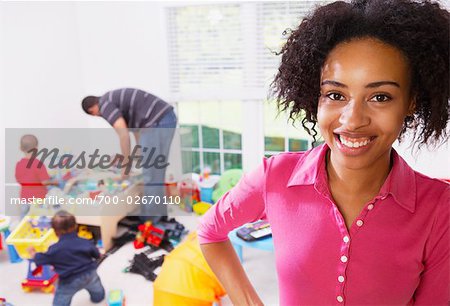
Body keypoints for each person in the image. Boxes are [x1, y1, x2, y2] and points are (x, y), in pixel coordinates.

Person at [198, 0, 449, 304]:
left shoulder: (440, 210)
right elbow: (210, 232)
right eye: (335, 94)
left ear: (410, 101)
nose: (353, 119)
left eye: (380, 96)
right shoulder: (274, 177)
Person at [81, 88, 177, 221]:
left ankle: (149, 220)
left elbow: (124, 135)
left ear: (92, 110)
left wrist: (125, 168)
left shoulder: (105, 105)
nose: (99, 116)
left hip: (157, 122)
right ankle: (159, 216)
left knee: (151, 175)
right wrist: (137, 156)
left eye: (95, 114)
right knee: (156, 173)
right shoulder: (112, 100)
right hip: (165, 118)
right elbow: (136, 133)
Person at [28, 210, 105, 306]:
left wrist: (33, 252)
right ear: (75, 226)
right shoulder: (85, 242)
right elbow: (97, 255)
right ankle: (98, 297)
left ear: (55, 231)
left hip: (69, 280)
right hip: (89, 274)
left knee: (61, 299)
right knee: (96, 289)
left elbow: (39, 260)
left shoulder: (54, 249)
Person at [15, 134, 57, 217]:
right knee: (38, 219)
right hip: (38, 199)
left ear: (20, 148)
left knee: (24, 218)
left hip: (24, 198)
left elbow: (18, 179)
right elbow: (45, 182)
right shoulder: (38, 164)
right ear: (36, 148)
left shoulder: (19, 164)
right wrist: (54, 182)